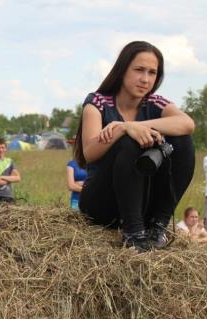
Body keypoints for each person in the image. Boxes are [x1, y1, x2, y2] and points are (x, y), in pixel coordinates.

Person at [74, 41, 195, 251]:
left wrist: (132, 125)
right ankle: (133, 233)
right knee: (129, 141)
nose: (145, 79)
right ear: (122, 71)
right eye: (139, 70)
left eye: (152, 72)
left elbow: (187, 124)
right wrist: (123, 131)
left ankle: (158, 226)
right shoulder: (97, 103)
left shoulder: (155, 103)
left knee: (182, 140)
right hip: (102, 203)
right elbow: (89, 153)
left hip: (142, 204)